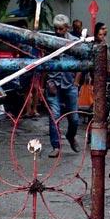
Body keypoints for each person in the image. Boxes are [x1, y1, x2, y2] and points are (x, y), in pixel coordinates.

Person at [44, 14, 80, 158]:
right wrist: (48, 81)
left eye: (61, 29)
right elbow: (44, 62)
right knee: (54, 116)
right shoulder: (48, 41)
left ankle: (71, 136)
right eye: (56, 29)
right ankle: (56, 146)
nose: (58, 32)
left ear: (67, 28)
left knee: (74, 118)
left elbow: (81, 63)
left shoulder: (75, 42)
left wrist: (77, 81)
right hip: (54, 83)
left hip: (70, 83)